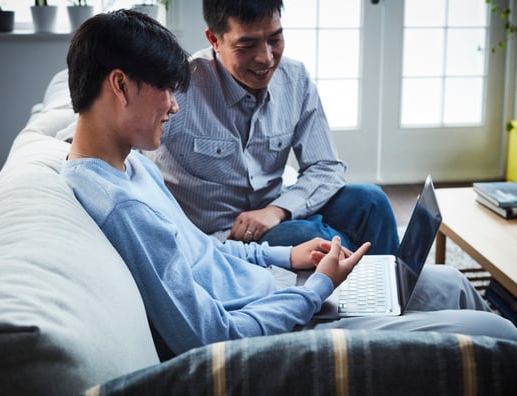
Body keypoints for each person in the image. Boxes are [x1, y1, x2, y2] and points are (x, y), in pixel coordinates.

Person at [61, 9, 517, 358]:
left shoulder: (128, 166)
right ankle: (393, 320)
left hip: (274, 278)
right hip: (283, 320)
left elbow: (206, 255)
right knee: (499, 334)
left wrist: (288, 257)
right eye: (164, 90)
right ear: (120, 87)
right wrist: (316, 289)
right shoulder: (121, 203)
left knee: (454, 282)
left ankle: (388, 306)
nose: (174, 106)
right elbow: (213, 337)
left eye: (275, 38)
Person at [144, 0, 399, 254]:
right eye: (246, 45)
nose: (266, 58)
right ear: (214, 40)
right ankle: (361, 275)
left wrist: (277, 210)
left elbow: (326, 167)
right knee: (313, 236)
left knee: (372, 201)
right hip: (220, 238)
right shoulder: (180, 88)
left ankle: (392, 290)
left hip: (274, 210)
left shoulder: (295, 79)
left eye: (275, 39)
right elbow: (131, 159)